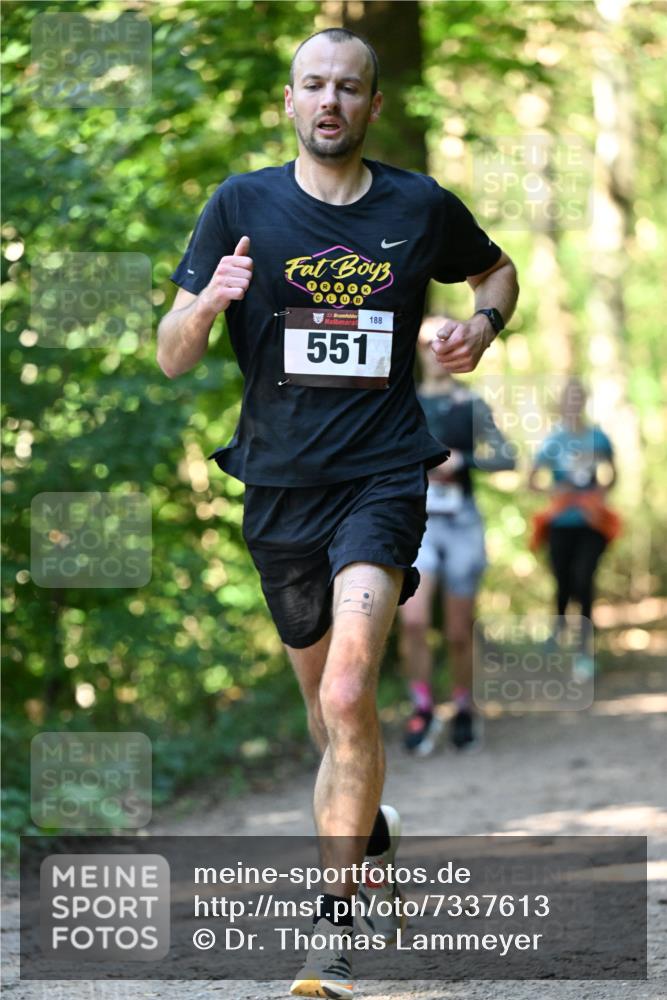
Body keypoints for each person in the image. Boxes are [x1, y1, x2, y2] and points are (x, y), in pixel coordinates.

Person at [158, 27, 519, 999]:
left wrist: (477, 327)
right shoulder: (239, 205)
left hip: (382, 474)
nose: (329, 101)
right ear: (289, 99)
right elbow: (171, 353)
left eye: (347, 87)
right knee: (327, 720)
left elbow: (496, 273)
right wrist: (206, 305)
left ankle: (331, 933)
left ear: (370, 104)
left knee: (351, 693)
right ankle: (371, 833)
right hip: (278, 487)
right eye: (313, 84)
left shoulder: (417, 204)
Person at [399, 320, 517, 756]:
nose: (436, 350)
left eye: (445, 342)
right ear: (417, 349)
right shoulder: (401, 400)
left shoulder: (471, 404)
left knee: (457, 631)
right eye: (429, 343)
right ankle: (422, 707)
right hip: (415, 523)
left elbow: (507, 458)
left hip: (462, 521)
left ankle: (464, 708)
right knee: (411, 621)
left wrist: (462, 462)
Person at [528, 377, 620, 677]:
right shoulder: (553, 441)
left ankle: (584, 651)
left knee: (584, 579)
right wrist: (553, 492)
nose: (574, 403)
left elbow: (612, 473)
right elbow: (532, 479)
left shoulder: (598, 437)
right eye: (569, 398)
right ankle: (558, 630)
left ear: (584, 401)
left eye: (578, 397)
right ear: (562, 402)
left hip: (591, 523)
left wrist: (601, 492)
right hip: (560, 524)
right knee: (564, 582)